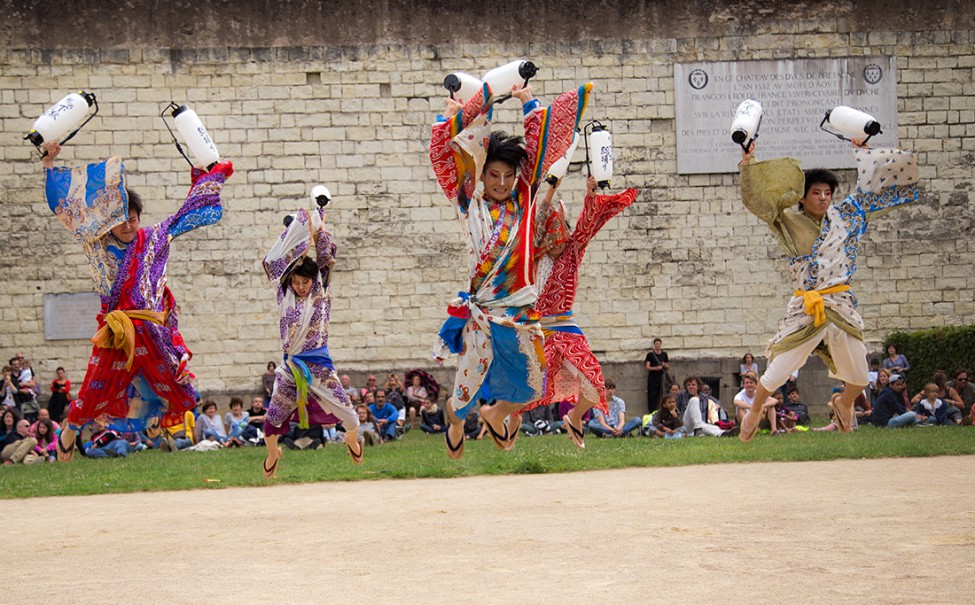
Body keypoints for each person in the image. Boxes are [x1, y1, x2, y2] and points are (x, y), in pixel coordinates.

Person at [40, 141, 233, 462]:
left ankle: (154, 418)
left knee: (177, 384)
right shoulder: (96, 242)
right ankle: (71, 427)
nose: (128, 226)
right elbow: (64, 207)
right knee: (94, 385)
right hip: (115, 328)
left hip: (150, 327)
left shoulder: (153, 237)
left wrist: (210, 177)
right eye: (121, 220)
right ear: (109, 221)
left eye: (133, 219)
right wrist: (48, 164)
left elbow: (192, 214)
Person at [430, 78, 592, 459]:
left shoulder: (525, 205)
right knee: (463, 397)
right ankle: (455, 421)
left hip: (520, 312)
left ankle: (497, 413)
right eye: (493, 175)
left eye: (508, 176)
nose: (502, 182)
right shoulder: (469, 203)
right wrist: (452, 115)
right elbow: (442, 154)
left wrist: (527, 102)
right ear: (483, 175)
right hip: (482, 315)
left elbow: (540, 157)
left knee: (536, 385)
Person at [736, 137, 920, 442]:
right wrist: (748, 162)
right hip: (806, 307)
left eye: (827, 193)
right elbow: (759, 200)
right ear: (803, 197)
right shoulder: (787, 219)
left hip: (840, 303)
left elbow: (873, 191)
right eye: (816, 193)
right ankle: (755, 410)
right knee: (778, 370)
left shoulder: (846, 217)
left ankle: (843, 403)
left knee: (860, 377)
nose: (823, 198)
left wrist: (862, 151)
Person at [523, 173, 637, 448]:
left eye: (561, 234)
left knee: (596, 383)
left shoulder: (572, 252)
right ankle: (509, 424)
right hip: (540, 333)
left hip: (567, 329)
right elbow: (537, 220)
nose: (557, 242)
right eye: (552, 237)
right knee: (526, 391)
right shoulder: (534, 258)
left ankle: (574, 417)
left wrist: (591, 193)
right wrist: (550, 189)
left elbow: (587, 224)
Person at [261, 204, 361, 479]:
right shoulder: (284, 295)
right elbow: (279, 263)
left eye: (305, 281)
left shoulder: (320, 290)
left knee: (352, 420)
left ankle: (351, 442)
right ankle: (273, 454)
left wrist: (318, 226)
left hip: (320, 366)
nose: (301, 286)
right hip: (291, 368)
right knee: (271, 424)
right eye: (297, 282)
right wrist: (296, 230)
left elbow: (325, 257)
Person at [645, 338, 669, 412]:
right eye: (656, 344)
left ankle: (662, 411)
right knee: (652, 396)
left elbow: (668, 366)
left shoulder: (664, 354)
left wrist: (664, 364)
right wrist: (655, 368)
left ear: (661, 345)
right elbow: (647, 367)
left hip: (662, 378)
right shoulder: (650, 355)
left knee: (662, 395)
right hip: (653, 378)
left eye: (659, 344)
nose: (657, 345)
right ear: (654, 345)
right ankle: (652, 412)